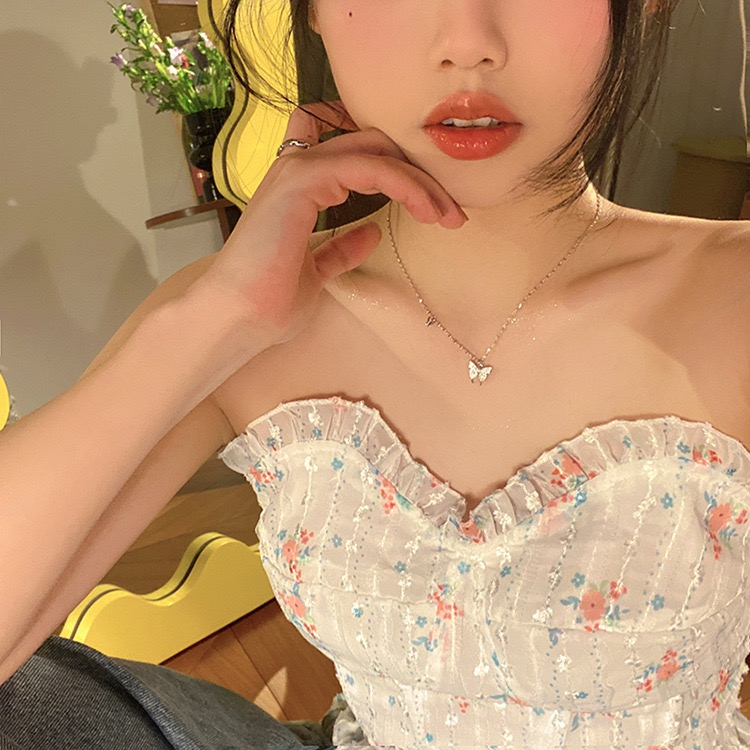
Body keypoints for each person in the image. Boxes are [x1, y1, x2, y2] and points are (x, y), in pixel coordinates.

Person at [1, 0, 749, 747]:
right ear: (314, 13)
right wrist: (212, 321)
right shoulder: (241, 318)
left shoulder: (731, 294)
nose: (467, 43)